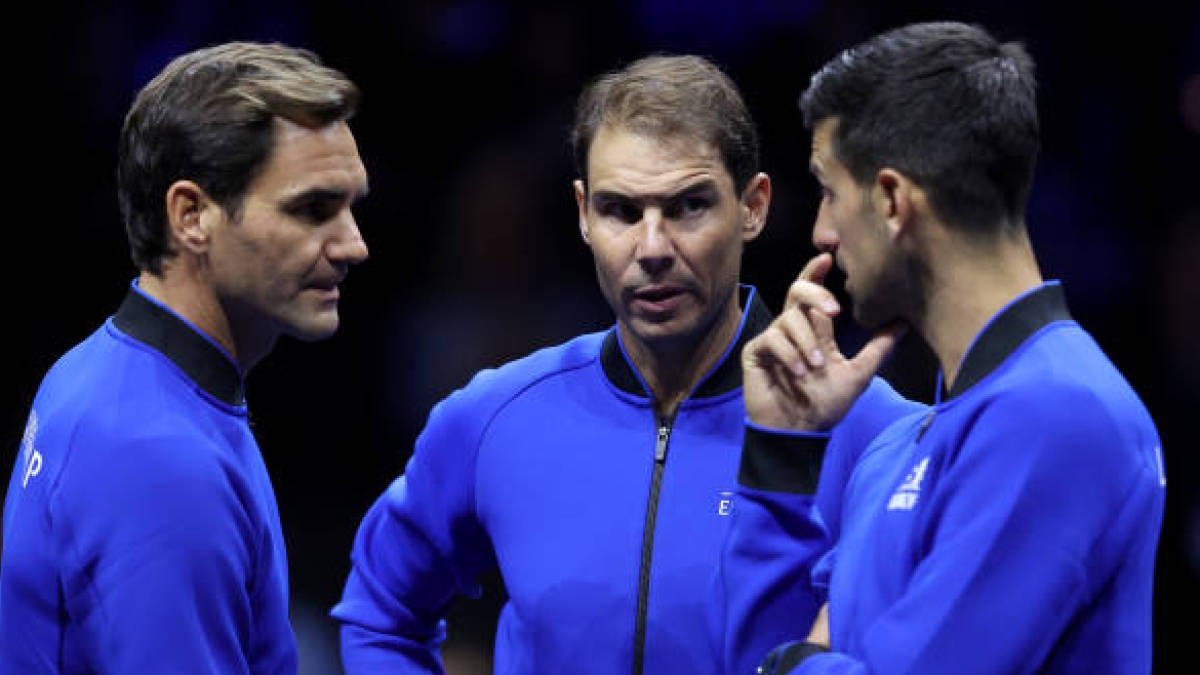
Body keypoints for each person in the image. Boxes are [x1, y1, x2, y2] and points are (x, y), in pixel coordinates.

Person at [331, 54, 916, 675]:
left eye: (689, 206)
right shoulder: (495, 416)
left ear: (754, 206)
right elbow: (378, 613)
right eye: (621, 210)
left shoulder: (875, 433)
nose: (654, 248)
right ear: (583, 213)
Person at [723, 20, 1166, 674]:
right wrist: (779, 448)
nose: (821, 231)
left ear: (894, 201)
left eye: (829, 190)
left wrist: (793, 663)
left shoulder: (1059, 413)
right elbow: (751, 653)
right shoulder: (896, 448)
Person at [0, 41, 369, 674]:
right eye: (312, 209)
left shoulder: (103, 371)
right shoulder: (160, 459)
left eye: (351, 206)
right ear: (192, 215)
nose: (352, 245)